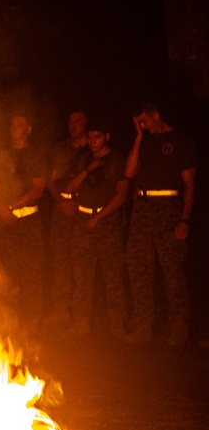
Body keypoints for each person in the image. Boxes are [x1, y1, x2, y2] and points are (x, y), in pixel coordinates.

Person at [124, 102, 197, 345]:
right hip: (142, 210)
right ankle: (144, 324)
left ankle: (179, 325)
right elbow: (130, 173)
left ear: (155, 115)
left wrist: (184, 219)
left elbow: (189, 184)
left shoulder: (180, 141)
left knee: (172, 268)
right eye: (138, 123)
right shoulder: (143, 142)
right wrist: (137, 138)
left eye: (144, 121)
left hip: (168, 209)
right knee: (139, 267)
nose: (142, 125)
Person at [60, 120, 129, 338]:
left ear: (107, 136)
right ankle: (81, 323)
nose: (92, 141)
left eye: (97, 137)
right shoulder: (83, 159)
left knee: (113, 276)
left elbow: (121, 195)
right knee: (81, 277)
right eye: (90, 137)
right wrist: (86, 170)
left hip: (107, 223)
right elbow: (67, 188)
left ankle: (117, 325)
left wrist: (98, 217)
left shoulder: (117, 160)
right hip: (82, 222)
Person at [0, 113, 48, 335]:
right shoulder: (2, 156)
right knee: (8, 271)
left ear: (28, 129)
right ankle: (11, 320)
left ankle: (32, 322)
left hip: (28, 222)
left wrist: (13, 207)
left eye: (21, 124)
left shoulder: (34, 155)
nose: (15, 128)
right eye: (12, 124)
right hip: (6, 222)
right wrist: (1, 209)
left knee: (31, 271)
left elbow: (38, 189)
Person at [44, 110, 90, 329]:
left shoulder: (93, 146)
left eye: (78, 121)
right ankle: (60, 311)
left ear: (86, 124)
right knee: (60, 261)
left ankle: (81, 317)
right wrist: (60, 202)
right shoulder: (59, 150)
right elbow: (50, 180)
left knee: (81, 265)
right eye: (70, 122)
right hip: (61, 210)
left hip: (84, 211)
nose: (74, 125)